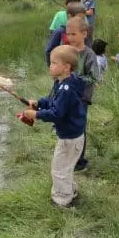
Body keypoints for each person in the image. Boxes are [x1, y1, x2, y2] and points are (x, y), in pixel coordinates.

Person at [22, 45, 85, 208]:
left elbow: (57, 113)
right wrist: (39, 103)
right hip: (73, 136)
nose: (50, 65)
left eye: (54, 63)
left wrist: (36, 114)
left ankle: (62, 201)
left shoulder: (66, 88)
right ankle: (71, 192)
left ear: (66, 67)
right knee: (67, 167)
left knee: (59, 169)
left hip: (69, 138)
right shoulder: (63, 82)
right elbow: (53, 101)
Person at [64, 16, 100, 172]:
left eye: (74, 34)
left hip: (82, 99)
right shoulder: (67, 51)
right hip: (67, 97)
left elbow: (93, 76)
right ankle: (68, 156)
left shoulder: (89, 54)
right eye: (68, 34)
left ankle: (80, 161)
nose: (70, 37)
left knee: (79, 128)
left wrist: (75, 80)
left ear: (84, 33)